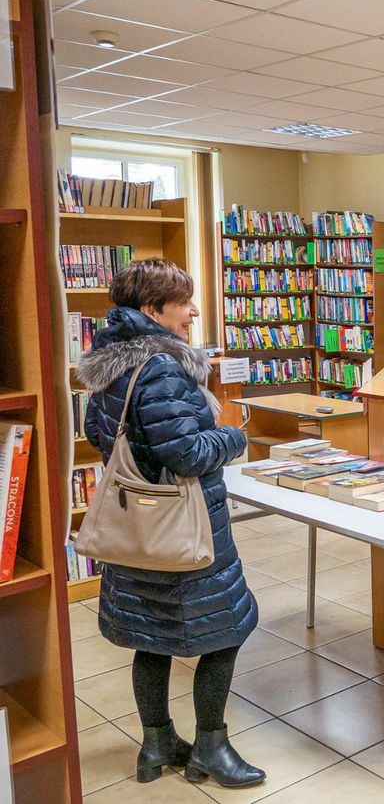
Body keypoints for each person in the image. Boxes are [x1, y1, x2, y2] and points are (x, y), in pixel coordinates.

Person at [77, 259, 264, 790]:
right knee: (226, 632)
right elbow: (186, 452)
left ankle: (157, 743)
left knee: (150, 638)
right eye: (184, 302)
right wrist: (234, 437)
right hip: (183, 530)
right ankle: (212, 747)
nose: (194, 311)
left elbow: (99, 433)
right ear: (151, 310)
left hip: (135, 531)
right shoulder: (162, 366)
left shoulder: (111, 363)